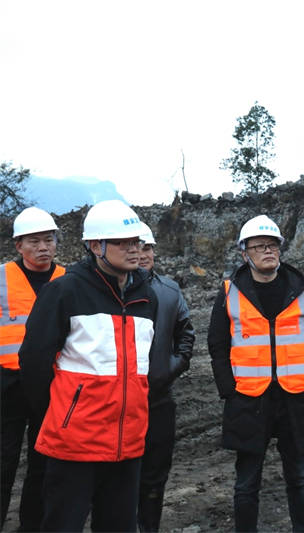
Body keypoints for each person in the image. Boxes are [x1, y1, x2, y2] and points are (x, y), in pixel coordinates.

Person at [18, 199, 156, 532]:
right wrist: (62, 414)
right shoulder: (64, 291)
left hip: (128, 444)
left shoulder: (146, 296)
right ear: (96, 246)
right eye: (122, 242)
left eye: (136, 241)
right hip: (74, 445)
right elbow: (34, 362)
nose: (133, 249)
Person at [208, 214, 304, 532]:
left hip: (296, 397)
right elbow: (217, 344)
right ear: (244, 253)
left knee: (299, 479)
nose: (268, 251)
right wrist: (228, 390)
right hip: (249, 399)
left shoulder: (301, 288)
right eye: (259, 246)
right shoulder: (230, 292)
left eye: (272, 245)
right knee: (247, 484)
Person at [0, 207, 64, 531]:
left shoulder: (68, 279)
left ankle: (32, 527)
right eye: (34, 241)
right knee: (3, 460)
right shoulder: (1, 277)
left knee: (43, 463)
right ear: (19, 245)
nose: (43, 247)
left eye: (48, 240)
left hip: (52, 383)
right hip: (6, 383)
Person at [137, 223, 195, 532]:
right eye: (136, 247)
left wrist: (171, 367)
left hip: (158, 400)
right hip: (116, 403)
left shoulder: (170, 290)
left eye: (147, 247)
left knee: (154, 478)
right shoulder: (107, 291)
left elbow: (185, 333)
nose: (142, 254)